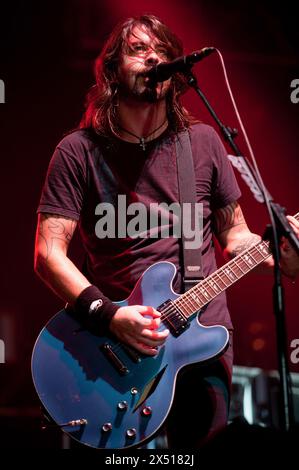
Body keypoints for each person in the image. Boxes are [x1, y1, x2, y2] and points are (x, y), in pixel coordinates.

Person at [34, 15, 299, 449]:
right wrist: (111, 315)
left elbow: (236, 235)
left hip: (203, 342)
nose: (154, 56)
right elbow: (48, 254)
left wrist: (277, 254)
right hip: (110, 349)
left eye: (162, 51)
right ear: (112, 68)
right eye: (139, 49)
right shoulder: (78, 152)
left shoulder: (203, 143)